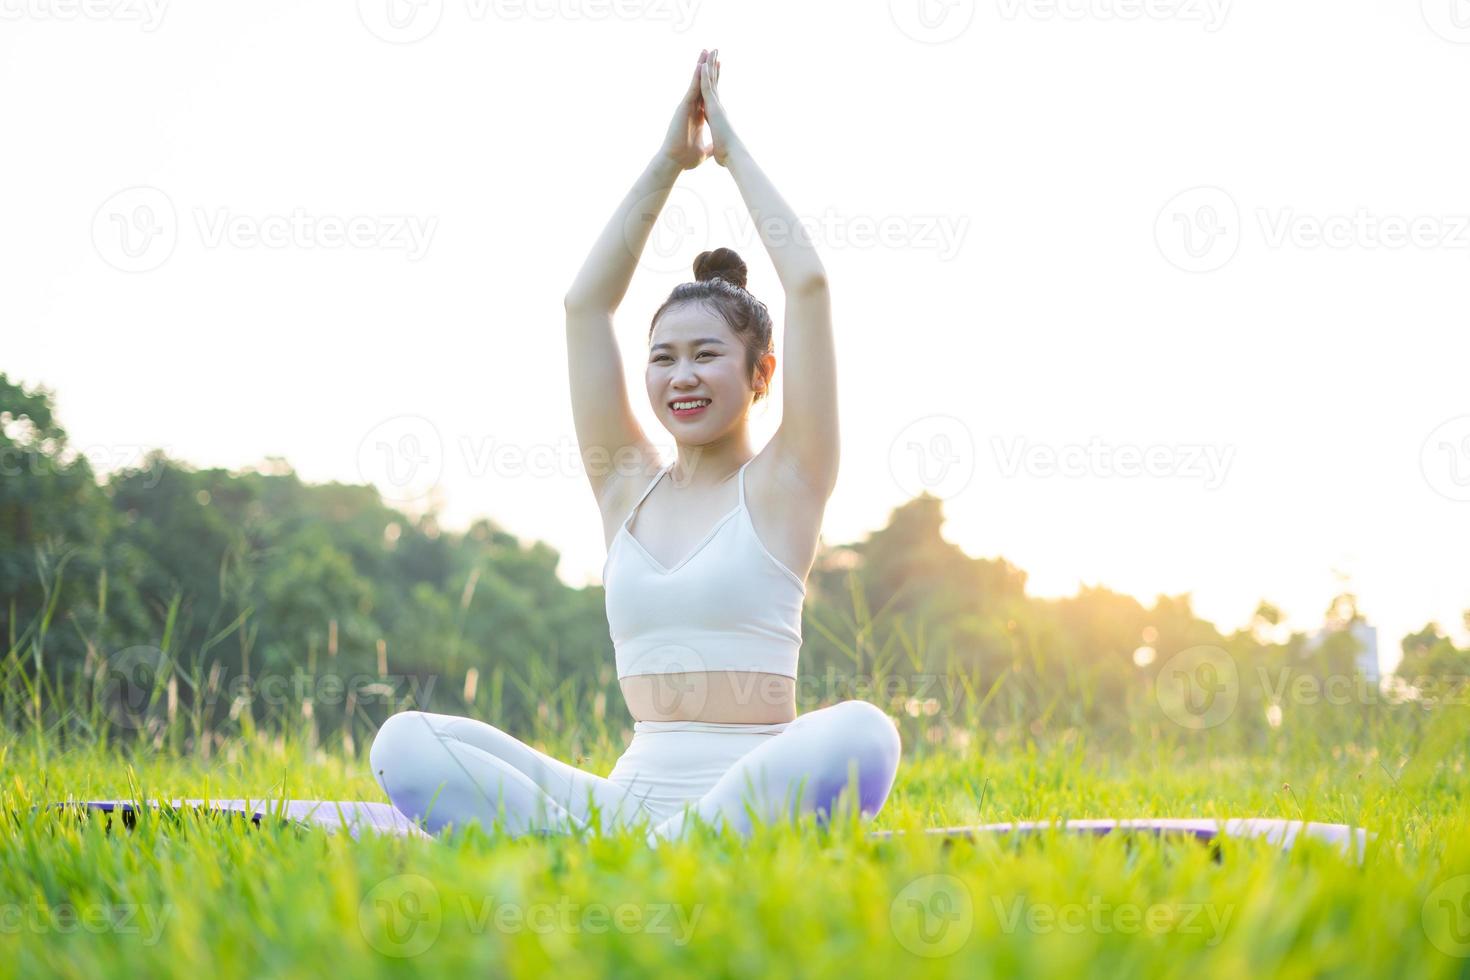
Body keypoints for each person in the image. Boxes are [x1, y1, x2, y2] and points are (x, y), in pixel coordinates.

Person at [370, 49, 901, 844]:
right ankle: (631, 854)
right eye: (663, 357)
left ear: (762, 373)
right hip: (620, 803)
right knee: (404, 742)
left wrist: (730, 152)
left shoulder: (789, 482)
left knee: (864, 734)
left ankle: (614, 858)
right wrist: (669, 162)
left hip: (743, 795)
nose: (681, 376)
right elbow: (585, 305)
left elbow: (810, 285)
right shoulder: (626, 486)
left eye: (707, 355)